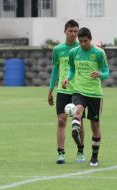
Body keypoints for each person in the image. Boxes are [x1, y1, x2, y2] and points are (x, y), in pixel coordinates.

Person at [62, 27, 110, 167]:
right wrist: (67, 78)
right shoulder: (73, 52)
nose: (82, 44)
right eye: (80, 41)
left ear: (90, 39)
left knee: (94, 125)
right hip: (79, 91)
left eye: (85, 41)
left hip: (95, 94)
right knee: (78, 109)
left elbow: (107, 72)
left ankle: (94, 157)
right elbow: (71, 69)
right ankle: (75, 129)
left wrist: (99, 74)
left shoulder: (99, 53)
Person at [48, 19, 85, 164]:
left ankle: (80, 151)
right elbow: (55, 70)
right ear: (65, 31)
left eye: (76, 31)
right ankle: (61, 153)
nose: (73, 34)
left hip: (79, 91)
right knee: (61, 121)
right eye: (71, 31)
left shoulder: (82, 48)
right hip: (62, 91)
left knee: (79, 122)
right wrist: (50, 90)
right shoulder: (58, 50)